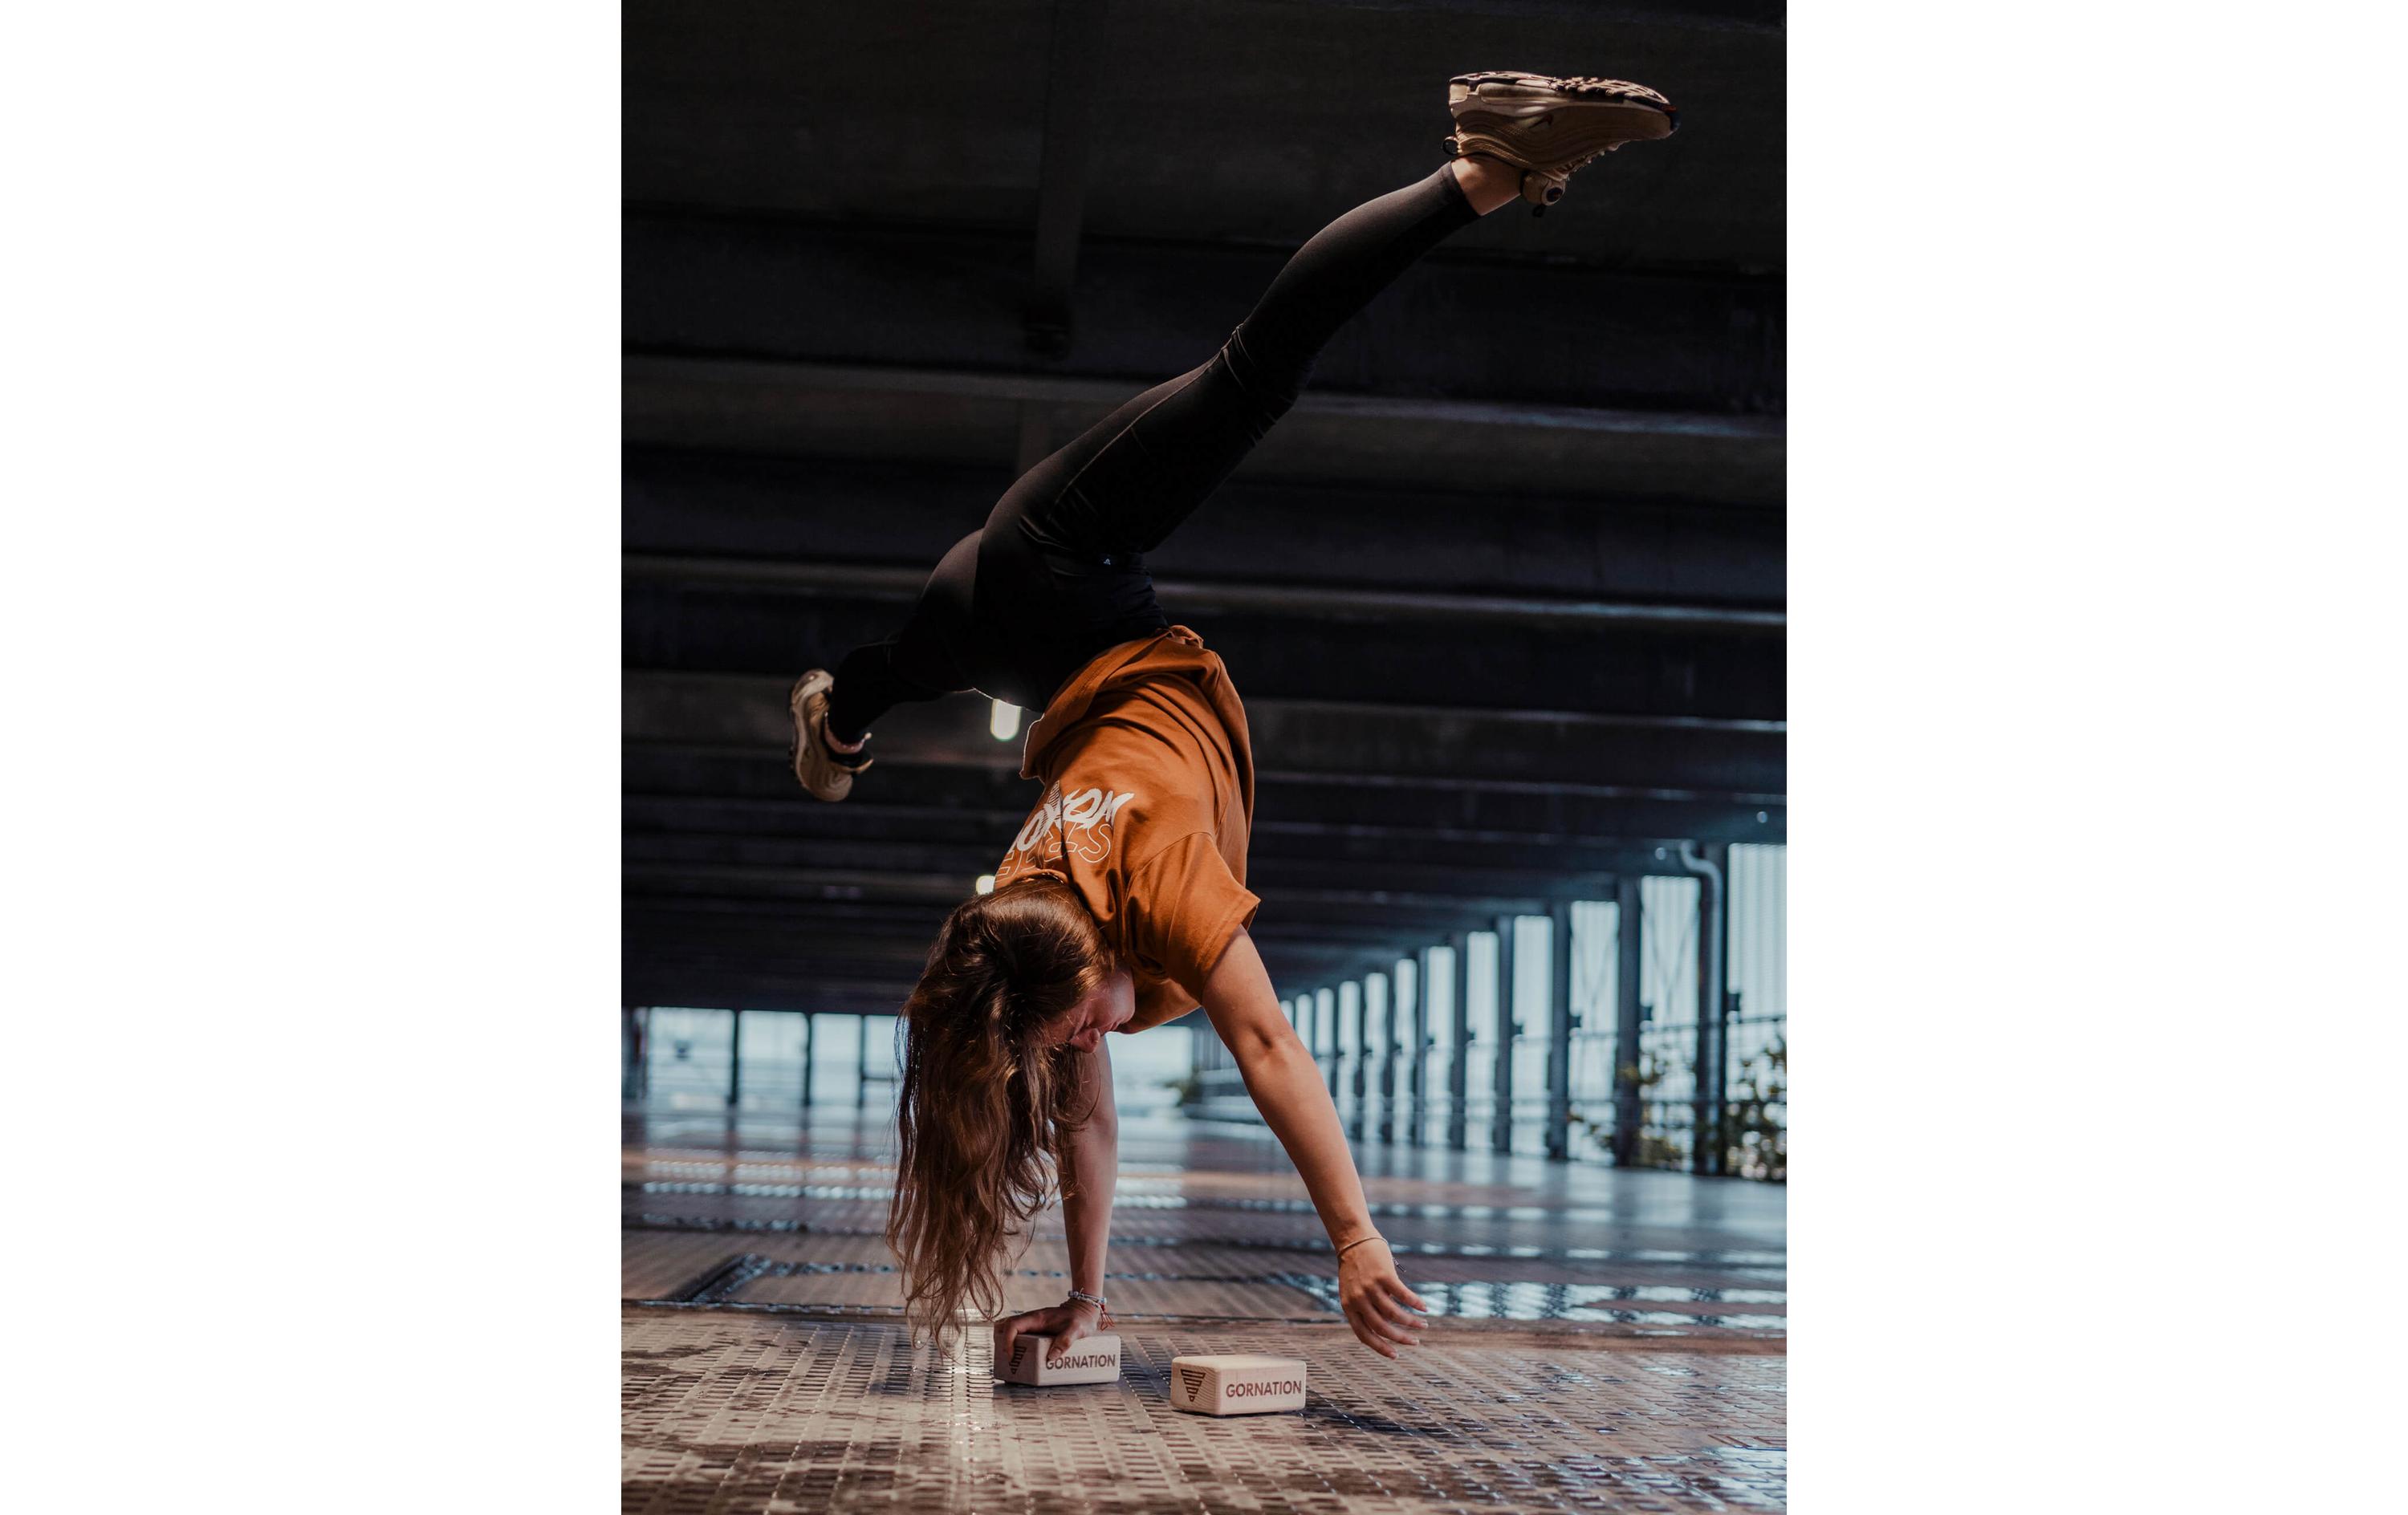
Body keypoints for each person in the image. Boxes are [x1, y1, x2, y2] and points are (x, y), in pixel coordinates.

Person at [782, 71, 1678, 1363]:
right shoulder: (1022, 918)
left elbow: (1264, 1041)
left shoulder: (1148, 881)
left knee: (1252, 376)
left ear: (1089, 953)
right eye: (1080, 1037)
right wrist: (1087, 1306)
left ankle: (1483, 162)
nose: (1098, 1042)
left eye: (1084, 1022)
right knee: (922, 655)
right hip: (992, 631)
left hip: (1053, 575)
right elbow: (1083, 1115)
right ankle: (842, 719)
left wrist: (1355, 1237)